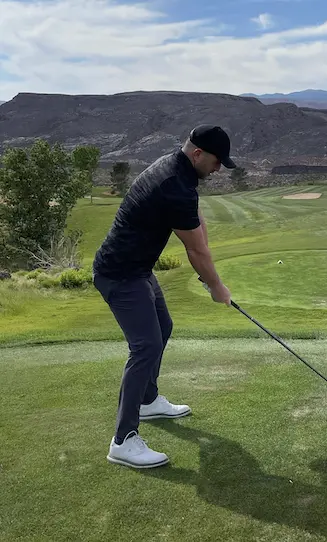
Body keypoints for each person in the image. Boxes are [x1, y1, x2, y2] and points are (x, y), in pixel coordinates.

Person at [92, 124, 236, 469]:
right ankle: (123, 441)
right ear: (198, 153)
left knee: (164, 327)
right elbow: (195, 251)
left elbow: (195, 222)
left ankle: (147, 399)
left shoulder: (179, 170)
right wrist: (216, 286)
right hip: (119, 274)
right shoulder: (173, 182)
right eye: (217, 162)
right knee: (145, 347)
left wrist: (208, 262)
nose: (218, 169)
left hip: (138, 270)